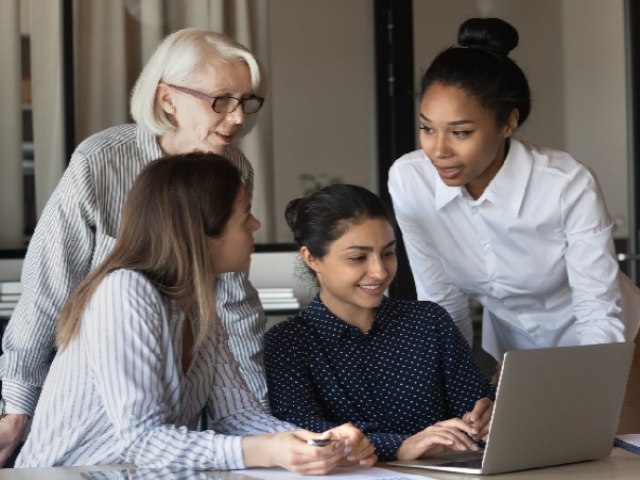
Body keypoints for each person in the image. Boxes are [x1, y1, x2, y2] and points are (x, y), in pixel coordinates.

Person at [0, 28, 271, 466]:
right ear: (168, 98)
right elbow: (47, 288)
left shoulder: (232, 166)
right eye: (221, 100)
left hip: (160, 416)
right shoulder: (101, 160)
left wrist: (262, 420)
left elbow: (232, 299)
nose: (238, 118)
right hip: (86, 397)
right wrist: (17, 408)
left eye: (246, 101)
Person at [15, 153, 376, 472]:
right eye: (244, 215)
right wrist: (261, 451)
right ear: (203, 231)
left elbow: (238, 416)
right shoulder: (124, 291)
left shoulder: (200, 302)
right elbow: (143, 441)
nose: (256, 225)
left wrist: (318, 443)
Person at [388, 17, 640, 363]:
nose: (438, 150)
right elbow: (441, 300)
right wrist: (457, 389)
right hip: (516, 357)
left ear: (509, 122)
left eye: (461, 132)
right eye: (427, 129)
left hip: (614, 345)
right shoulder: (410, 181)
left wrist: (590, 386)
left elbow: (597, 309)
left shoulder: (565, 184)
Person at [265, 184, 495, 462]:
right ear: (312, 258)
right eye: (358, 258)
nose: (380, 271)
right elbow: (303, 431)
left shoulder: (428, 321)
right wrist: (400, 446)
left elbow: (474, 406)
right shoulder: (288, 342)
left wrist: (487, 415)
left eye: (388, 253)